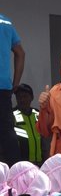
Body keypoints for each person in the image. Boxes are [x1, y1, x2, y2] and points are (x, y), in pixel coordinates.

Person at [0, 13, 24, 165]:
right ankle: (16, 176)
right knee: (7, 132)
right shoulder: (5, 22)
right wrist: (15, 83)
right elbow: (20, 53)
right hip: (3, 87)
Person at [13, 83, 43, 165]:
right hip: (21, 164)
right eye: (19, 97)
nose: (22, 100)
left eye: (25, 96)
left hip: (39, 162)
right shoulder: (12, 115)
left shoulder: (38, 114)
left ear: (32, 97)